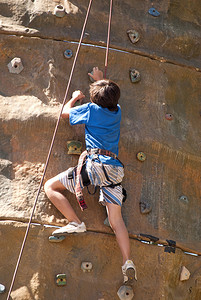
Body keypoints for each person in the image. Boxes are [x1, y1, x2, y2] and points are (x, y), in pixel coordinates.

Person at [44, 67, 137, 286]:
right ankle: (127, 261)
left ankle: (75, 222)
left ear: (95, 100)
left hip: (94, 166)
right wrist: (101, 82)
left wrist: (75, 97)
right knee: (116, 221)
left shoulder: (91, 110)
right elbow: (110, 96)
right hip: (114, 168)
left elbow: (64, 113)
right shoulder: (118, 111)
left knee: (50, 186)